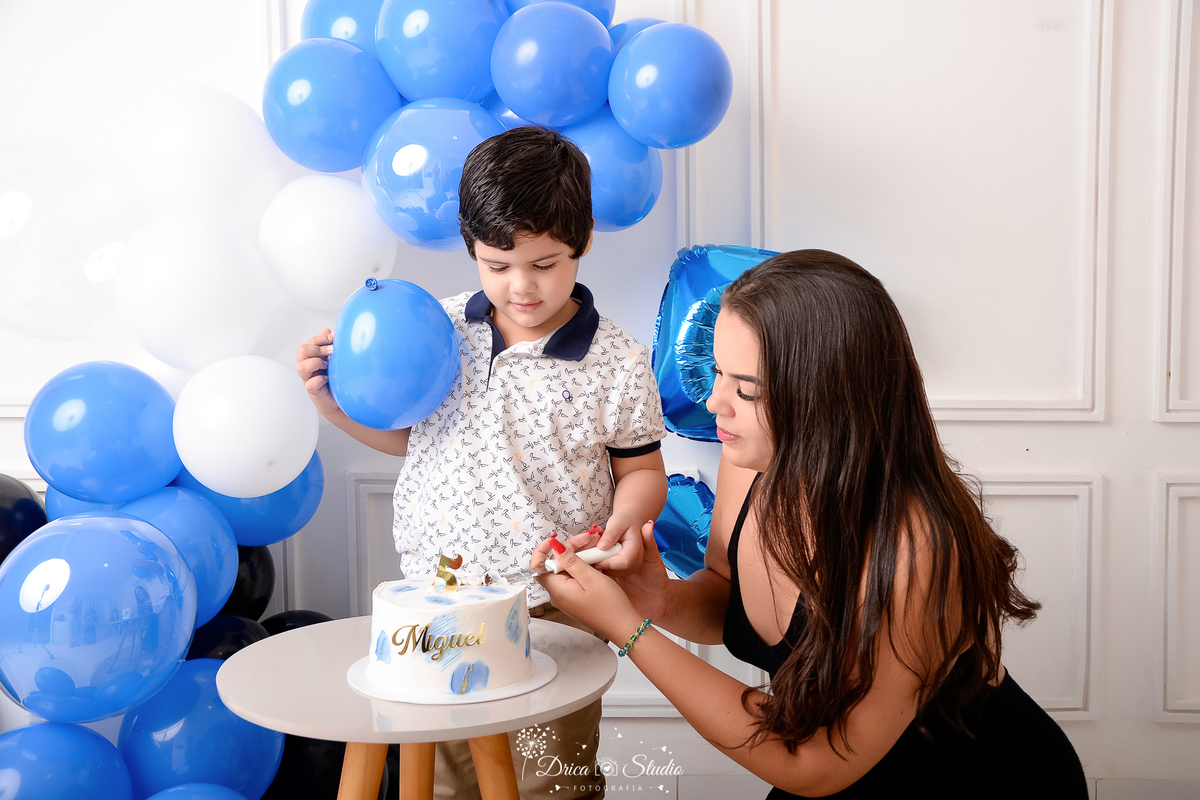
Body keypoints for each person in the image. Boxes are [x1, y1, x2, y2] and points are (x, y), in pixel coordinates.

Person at [534, 250, 1089, 798]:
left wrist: (627, 631)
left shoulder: (915, 549)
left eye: (745, 388)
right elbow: (729, 594)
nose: (713, 400)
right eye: (717, 372)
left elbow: (812, 763)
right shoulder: (751, 457)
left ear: (827, 398)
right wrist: (654, 602)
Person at [297, 125, 668, 800]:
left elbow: (641, 470)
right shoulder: (438, 329)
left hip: (554, 605)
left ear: (581, 240)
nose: (520, 286)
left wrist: (625, 524)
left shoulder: (616, 359)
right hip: (438, 603)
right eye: (498, 265)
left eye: (545, 264)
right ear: (471, 244)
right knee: (446, 782)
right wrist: (334, 409)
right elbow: (422, 442)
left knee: (549, 782)